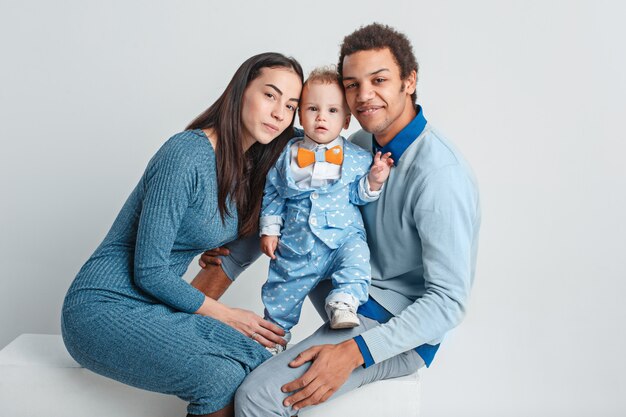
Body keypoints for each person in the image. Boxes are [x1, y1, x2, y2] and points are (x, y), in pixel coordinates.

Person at [198, 23, 481, 416]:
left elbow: (448, 303)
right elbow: (287, 193)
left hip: (389, 321)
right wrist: (227, 232)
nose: (364, 96)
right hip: (342, 274)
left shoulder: (440, 175)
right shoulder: (360, 143)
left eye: (379, 80)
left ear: (409, 81)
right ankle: (184, 310)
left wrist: (357, 351)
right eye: (352, 84)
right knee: (289, 197)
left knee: (256, 396)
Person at [60, 52, 303, 417]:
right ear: (240, 92)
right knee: (223, 374)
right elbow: (149, 271)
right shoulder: (186, 153)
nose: (279, 113)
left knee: (260, 368)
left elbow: (321, 136)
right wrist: (226, 315)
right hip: (101, 310)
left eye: (291, 105)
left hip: (154, 309)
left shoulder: (248, 166)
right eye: (270, 95)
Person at [258, 67, 393, 353]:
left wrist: (374, 179)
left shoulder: (358, 158)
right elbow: (273, 192)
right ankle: (272, 338)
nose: (321, 117)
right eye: (313, 109)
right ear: (300, 115)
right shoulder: (285, 155)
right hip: (297, 244)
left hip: (341, 239)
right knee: (282, 289)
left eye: (332, 110)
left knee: (357, 259)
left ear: (345, 121)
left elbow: (359, 196)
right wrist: (269, 229)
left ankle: (343, 301)